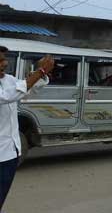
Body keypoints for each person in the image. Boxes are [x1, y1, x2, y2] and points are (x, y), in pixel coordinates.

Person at [0, 50, 53, 211]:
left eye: (4, 59)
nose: (5, 63)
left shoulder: (8, 79)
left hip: (10, 152)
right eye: (0, 60)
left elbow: (27, 89)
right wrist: (40, 71)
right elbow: (8, 96)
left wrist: (39, 74)